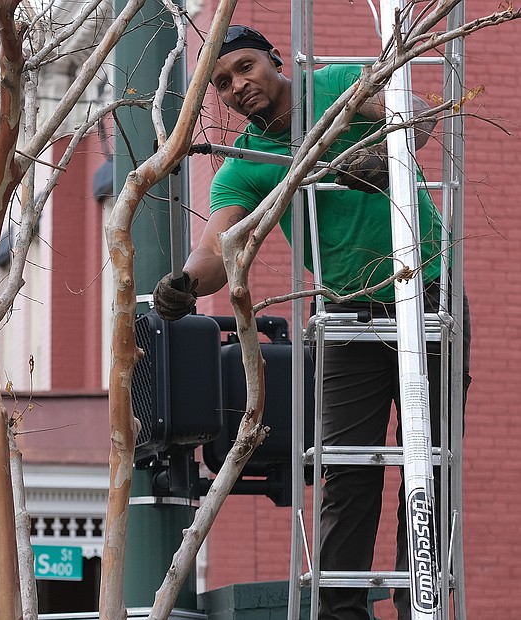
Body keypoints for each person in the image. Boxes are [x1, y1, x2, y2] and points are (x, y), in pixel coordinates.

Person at [153, 25, 471, 620]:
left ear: (274, 60)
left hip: (427, 294)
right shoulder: (245, 165)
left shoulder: (341, 84)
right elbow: (216, 252)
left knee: (428, 463)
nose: (237, 85)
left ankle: (418, 605)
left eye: (245, 67)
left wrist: (382, 158)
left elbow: (419, 118)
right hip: (347, 315)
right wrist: (186, 286)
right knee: (346, 471)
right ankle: (341, 613)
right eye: (222, 82)